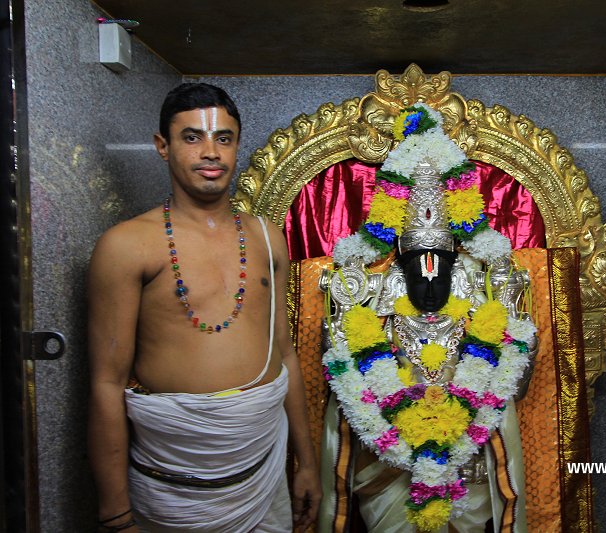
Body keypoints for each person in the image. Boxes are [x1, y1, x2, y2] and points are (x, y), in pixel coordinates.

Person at [87, 82, 321, 532]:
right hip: (173, 486)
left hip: (264, 475)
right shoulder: (126, 245)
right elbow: (105, 382)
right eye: (192, 137)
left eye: (224, 138)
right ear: (162, 146)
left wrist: (305, 463)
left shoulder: (267, 237)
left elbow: (286, 354)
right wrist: (115, 511)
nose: (210, 152)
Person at [318, 104, 537, 532]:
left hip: (469, 454)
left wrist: (512, 350)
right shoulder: (374, 292)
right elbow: (339, 368)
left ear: (455, 255)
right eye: (420, 260)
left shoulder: (479, 288)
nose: (430, 272)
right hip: (388, 457)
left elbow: (518, 378)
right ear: (400, 257)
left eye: (439, 259)